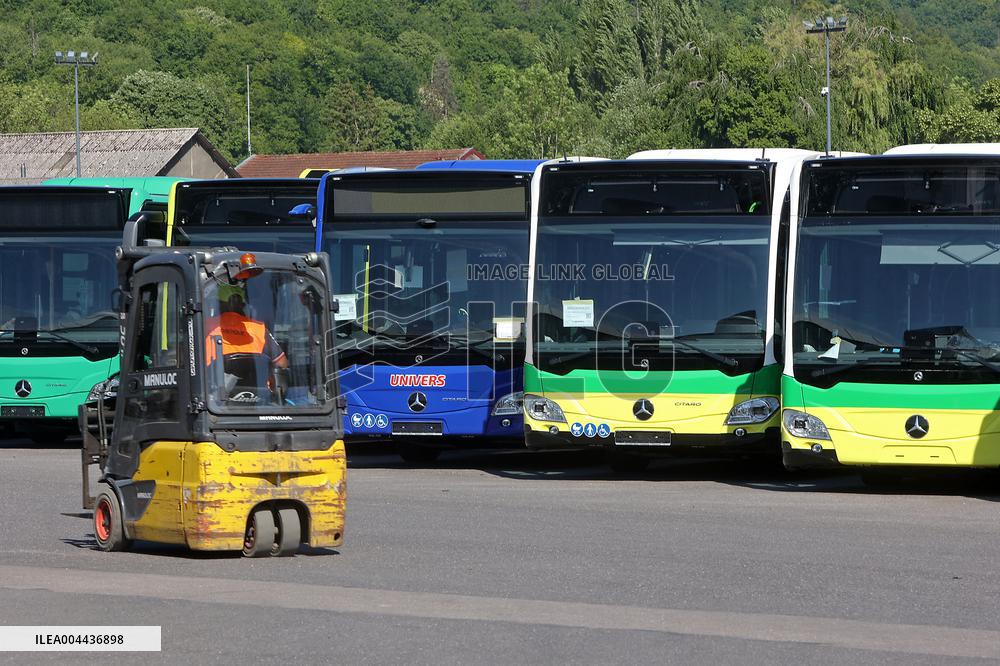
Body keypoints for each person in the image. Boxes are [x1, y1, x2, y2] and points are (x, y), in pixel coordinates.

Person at [205, 281, 288, 402]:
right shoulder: (259, 329)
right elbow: (282, 364)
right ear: (242, 304)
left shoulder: (206, 327)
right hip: (257, 403)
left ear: (218, 304)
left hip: (216, 402)